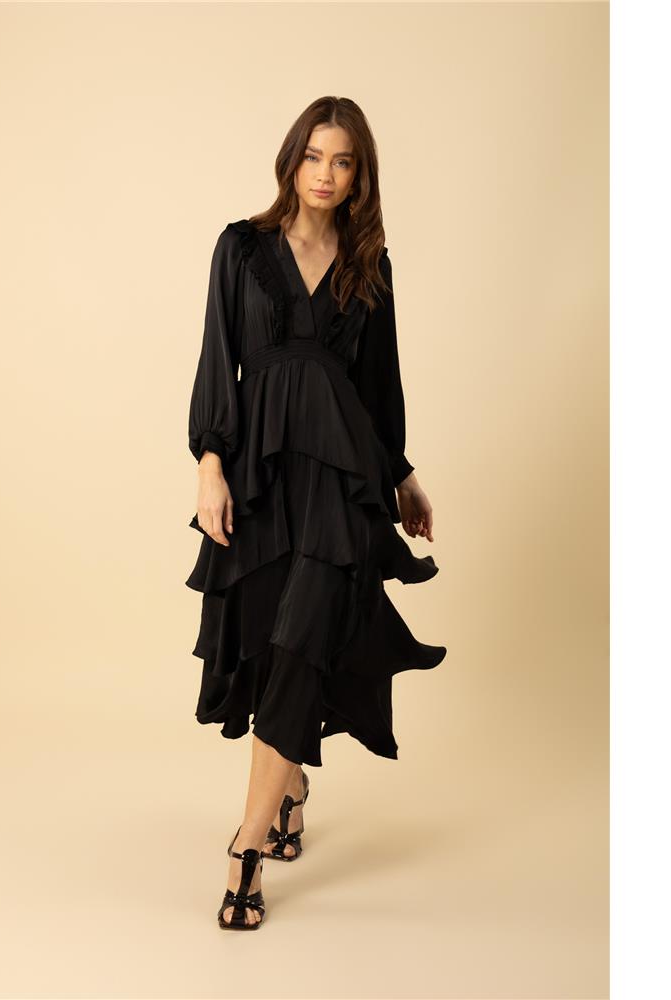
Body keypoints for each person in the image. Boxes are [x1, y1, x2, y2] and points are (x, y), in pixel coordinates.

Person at [185, 96, 448, 930]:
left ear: (359, 174)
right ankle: (290, 789)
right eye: (315, 156)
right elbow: (217, 359)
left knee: (303, 641)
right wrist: (210, 464)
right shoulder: (241, 248)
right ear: (291, 159)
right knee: (271, 646)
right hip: (261, 476)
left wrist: (401, 475)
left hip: (339, 482)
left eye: (344, 161)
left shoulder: (370, 265)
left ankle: (247, 849)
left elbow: (379, 387)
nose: (327, 174)